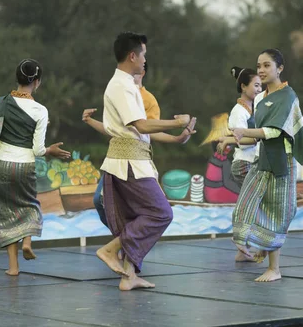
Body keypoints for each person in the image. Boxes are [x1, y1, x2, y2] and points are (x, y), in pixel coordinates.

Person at [95, 31, 195, 291]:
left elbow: (142, 129)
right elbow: (139, 124)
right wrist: (177, 122)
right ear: (132, 56)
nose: (144, 60)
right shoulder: (121, 85)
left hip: (134, 159)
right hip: (127, 162)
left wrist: (176, 137)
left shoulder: (129, 86)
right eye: (143, 55)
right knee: (161, 212)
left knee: (136, 216)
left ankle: (129, 276)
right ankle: (110, 249)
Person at [0, 59, 71, 276]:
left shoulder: (2, 103)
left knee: (4, 211)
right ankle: (27, 241)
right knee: (29, 204)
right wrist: (51, 150)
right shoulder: (41, 111)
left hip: (1, 164)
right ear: (37, 82)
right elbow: (39, 150)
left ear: (17, 79)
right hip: (24, 165)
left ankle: (13, 267)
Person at [229, 49, 303, 282]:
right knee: (245, 204)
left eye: (267, 65)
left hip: (281, 162)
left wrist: (243, 130)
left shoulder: (287, 96)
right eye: (259, 66)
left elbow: (274, 131)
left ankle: (274, 268)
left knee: (277, 211)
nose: (261, 70)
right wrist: (233, 137)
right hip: (262, 158)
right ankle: (254, 246)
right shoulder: (260, 98)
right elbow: (258, 136)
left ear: (280, 68)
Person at [82, 61, 195, 227]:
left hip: (136, 160)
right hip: (115, 159)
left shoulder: (148, 100)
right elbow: (111, 130)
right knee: (100, 200)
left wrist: (176, 138)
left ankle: (131, 241)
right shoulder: (118, 91)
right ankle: (123, 239)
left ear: (141, 72)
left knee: (142, 208)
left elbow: (149, 131)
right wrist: (89, 120)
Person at [216, 67, 262, 262]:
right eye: (256, 85)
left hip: (252, 163)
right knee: (252, 202)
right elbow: (238, 138)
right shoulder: (238, 111)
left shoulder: (254, 108)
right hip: (244, 164)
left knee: (253, 202)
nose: (260, 89)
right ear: (243, 86)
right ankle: (242, 241)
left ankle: (244, 248)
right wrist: (257, 139)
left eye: (261, 85)